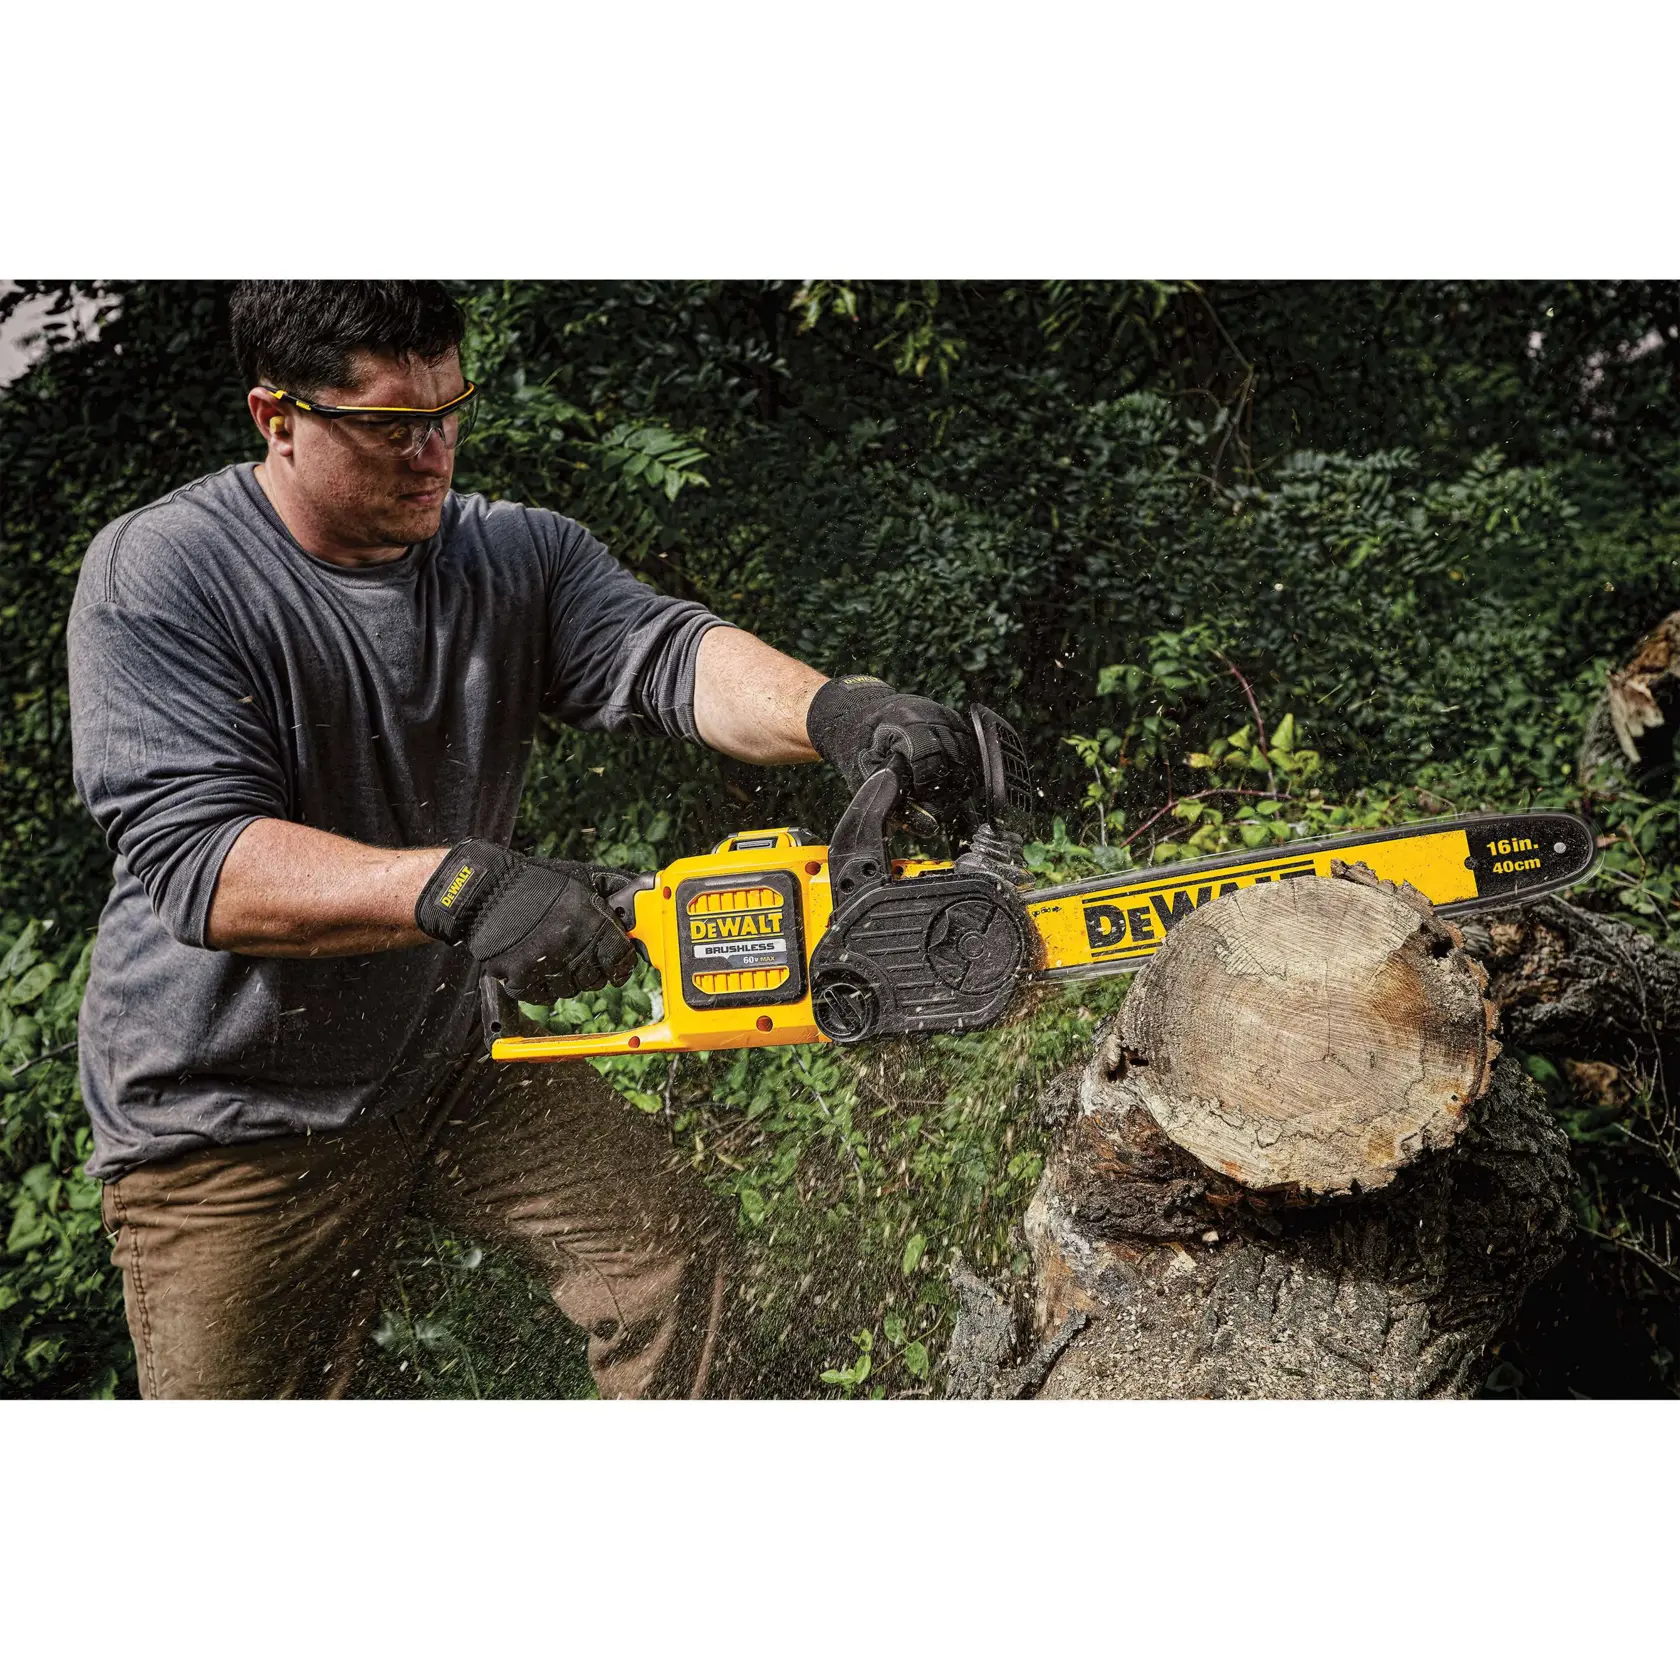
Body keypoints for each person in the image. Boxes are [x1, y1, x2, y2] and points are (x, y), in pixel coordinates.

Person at [67, 281, 980, 1400]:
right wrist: (462, 887)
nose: (434, 454)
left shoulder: (510, 556)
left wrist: (835, 710)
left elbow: (669, 655)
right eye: (395, 426)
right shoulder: (165, 575)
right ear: (279, 417)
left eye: (451, 412)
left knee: (664, 1251)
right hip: (228, 1119)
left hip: (447, 1062)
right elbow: (206, 867)